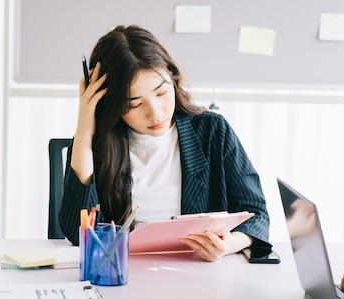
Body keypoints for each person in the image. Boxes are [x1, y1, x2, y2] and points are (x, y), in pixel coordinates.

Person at [59, 25, 271, 262]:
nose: (156, 113)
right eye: (134, 104)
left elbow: (257, 214)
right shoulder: (97, 144)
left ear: (172, 77)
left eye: (161, 92)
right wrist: (85, 127)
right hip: (125, 275)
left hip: (197, 274)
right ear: (112, 105)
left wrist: (228, 244)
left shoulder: (213, 131)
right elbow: (78, 234)